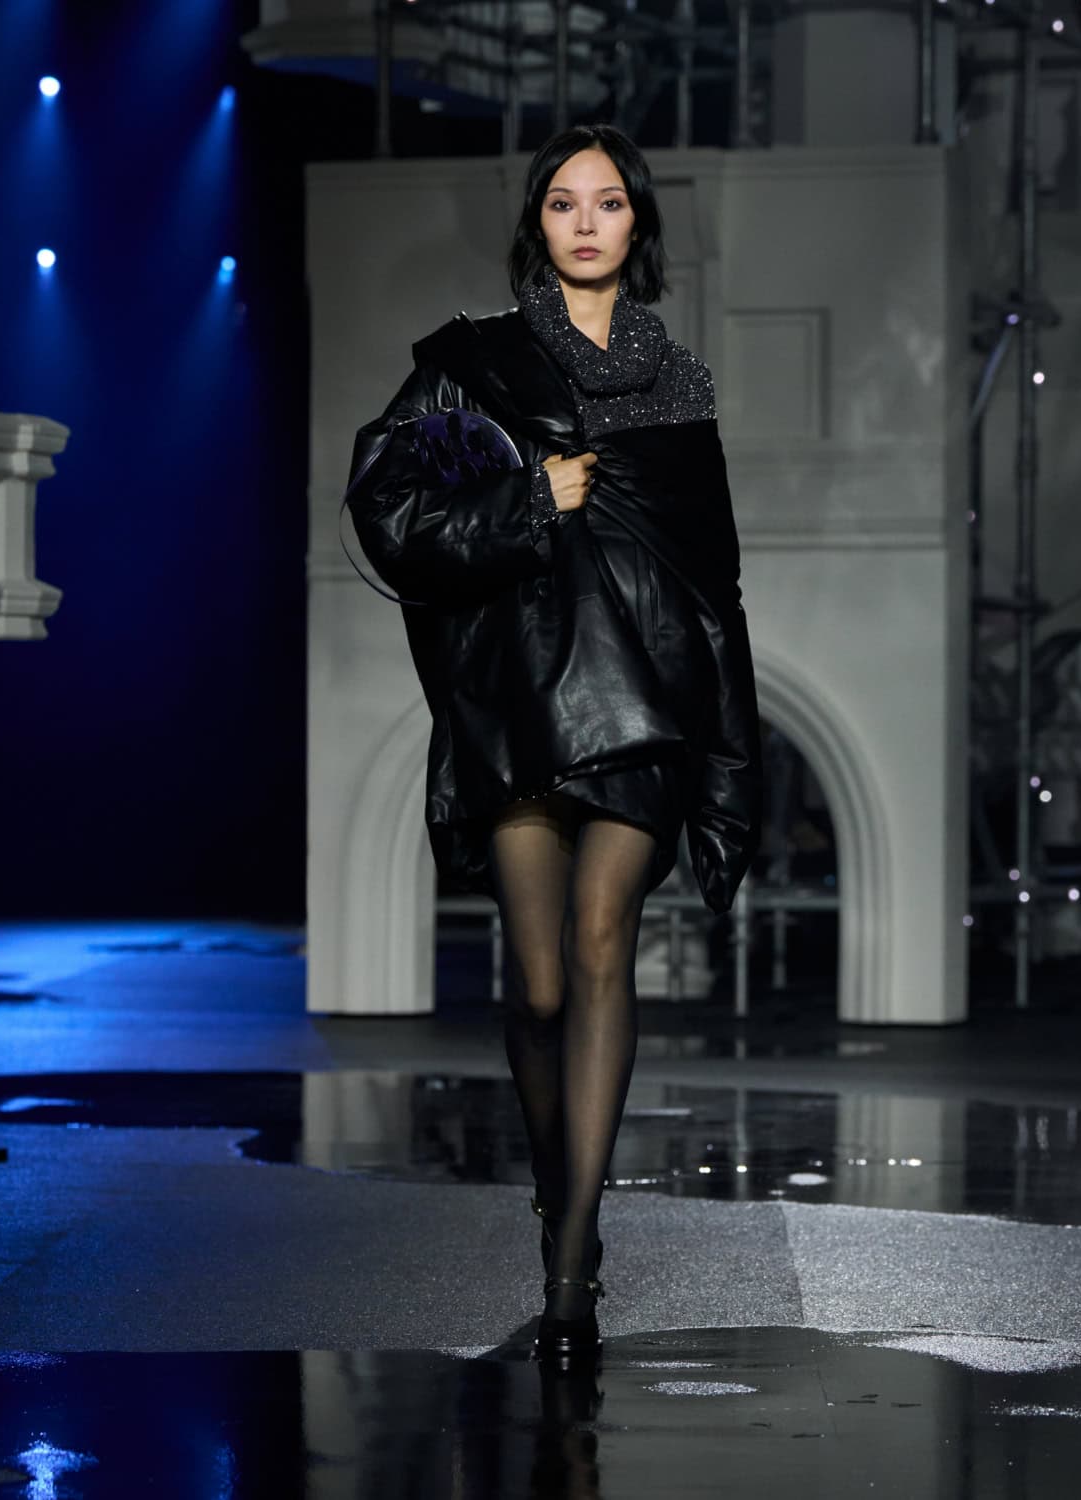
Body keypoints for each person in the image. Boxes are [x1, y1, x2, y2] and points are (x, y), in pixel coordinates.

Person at [344, 123, 763, 1360]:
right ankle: (556, 1201)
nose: (588, 222)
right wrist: (529, 498)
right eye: (565, 202)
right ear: (538, 221)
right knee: (536, 985)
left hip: (647, 707)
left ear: (640, 223)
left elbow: (715, 585)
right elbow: (386, 504)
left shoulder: (680, 384)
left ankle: (574, 1263)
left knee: (599, 943)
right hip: (521, 699)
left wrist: (728, 758)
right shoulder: (473, 364)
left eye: (610, 201)